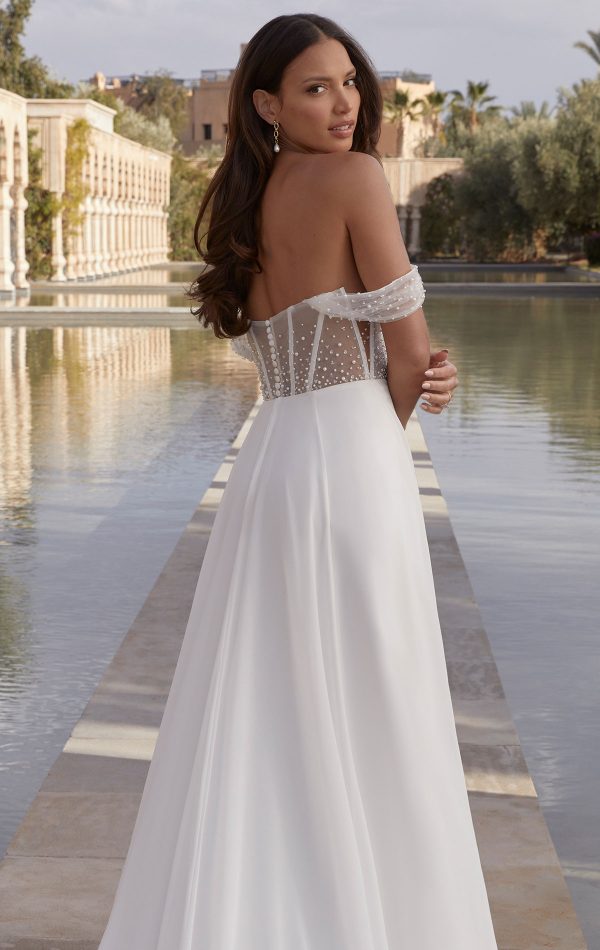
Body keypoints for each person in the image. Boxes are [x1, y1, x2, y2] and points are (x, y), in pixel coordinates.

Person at [97, 13, 498, 949]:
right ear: (267, 104)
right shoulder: (356, 178)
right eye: (315, 88)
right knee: (377, 692)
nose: (345, 103)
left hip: (275, 456)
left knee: (267, 696)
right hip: (350, 458)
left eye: (350, 81)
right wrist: (416, 386)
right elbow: (407, 356)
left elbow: (325, 339)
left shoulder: (256, 193)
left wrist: (400, 375)